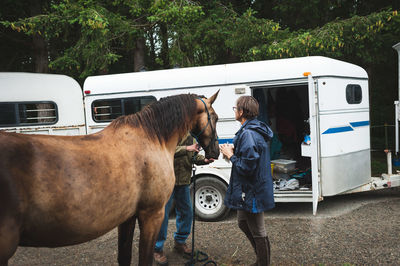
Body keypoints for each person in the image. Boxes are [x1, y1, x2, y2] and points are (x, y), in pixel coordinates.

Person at [220, 96, 275, 266]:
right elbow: (251, 158)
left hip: (253, 190)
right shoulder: (250, 131)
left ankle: (262, 263)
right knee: (242, 222)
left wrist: (231, 155)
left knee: (258, 230)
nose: (234, 111)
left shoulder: (249, 133)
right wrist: (234, 151)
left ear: (242, 112)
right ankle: (260, 258)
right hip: (248, 189)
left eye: (235, 108)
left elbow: (247, 167)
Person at [153, 133, 214, 265]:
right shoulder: (169, 133)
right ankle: (157, 249)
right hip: (168, 181)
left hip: (183, 182)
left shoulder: (189, 136)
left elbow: (192, 156)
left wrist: (203, 160)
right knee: (163, 216)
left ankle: (180, 242)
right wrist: (187, 148)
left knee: (187, 212)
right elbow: (165, 151)